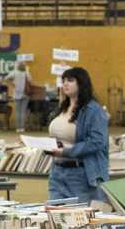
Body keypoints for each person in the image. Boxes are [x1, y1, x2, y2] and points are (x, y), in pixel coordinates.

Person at [46, 67, 110, 202]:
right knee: (56, 216)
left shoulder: (93, 110)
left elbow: (97, 142)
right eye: (63, 81)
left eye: (70, 80)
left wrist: (67, 151)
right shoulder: (61, 109)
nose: (65, 84)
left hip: (80, 173)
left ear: (81, 83)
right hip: (57, 172)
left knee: (80, 218)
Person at [8, 61, 30, 132]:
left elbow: (6, 78)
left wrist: (13, 84)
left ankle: (18, 128)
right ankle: (22, 127)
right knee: (23, 112)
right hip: (25, 94)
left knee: (17, 112)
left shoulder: (14, 73)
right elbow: (30, 80)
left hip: (17, 93)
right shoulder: (26, 73)